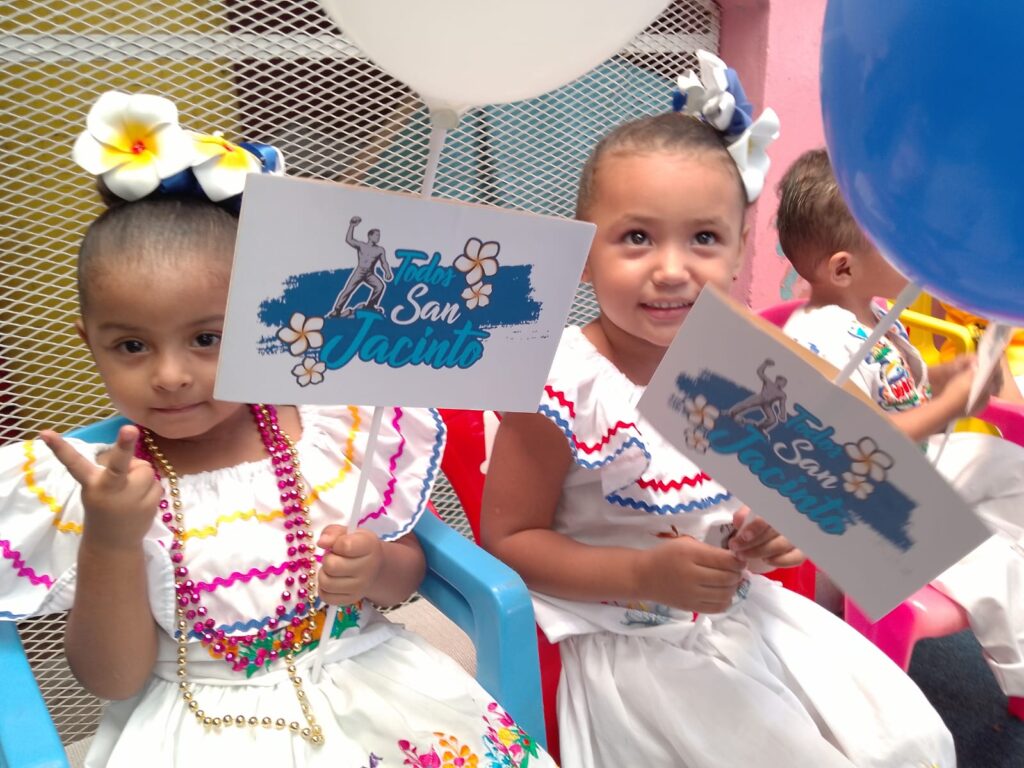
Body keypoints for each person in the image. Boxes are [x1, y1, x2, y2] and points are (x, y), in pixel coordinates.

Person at [0, 91, 555, 767]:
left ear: (263, 321)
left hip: (367, 687)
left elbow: (405, 573)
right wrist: (112, 537)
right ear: (90, 343)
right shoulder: (97, 487)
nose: (171, 376)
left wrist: (375, 566)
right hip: (203, 724)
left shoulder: (331, 432)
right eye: (132, 346)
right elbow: (111, 678)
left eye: (206, 338)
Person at [480, 51, 955, 768]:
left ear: (737, 255)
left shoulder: (738, 363)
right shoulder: (563, 383)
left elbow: (800, 480)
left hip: (743, 612)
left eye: (703, 238)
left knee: (909, 737)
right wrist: (641, 576)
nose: (672, 269)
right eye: (636, 237)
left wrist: (779, 531)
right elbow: (509, 538)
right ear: (583, 253)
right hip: (631, 643)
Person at [778, 147, 1024, 720]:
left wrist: (945, 375)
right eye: (895, 241)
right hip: (862, 504)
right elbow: (866, 439)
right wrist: (952, 405)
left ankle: (1008, 546)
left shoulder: (873, 313)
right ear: (843, 268)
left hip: (912, 468)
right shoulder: (819, 338)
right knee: (988, 564)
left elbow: (896, 384)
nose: (914, 252)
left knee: (1003, 461)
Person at [328, 216, 393, 318]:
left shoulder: (380, 250)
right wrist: (352, 225)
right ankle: (337, 310)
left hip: (370, 274)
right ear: (370, 236)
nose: (378, 237)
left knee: (380, 286)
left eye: (379, 235)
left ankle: (370, 306)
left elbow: (384, 262)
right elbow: (349, 239)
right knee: (348, 290)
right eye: (376, 235)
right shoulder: (362, 245)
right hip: (359, 272)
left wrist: (387, 272)